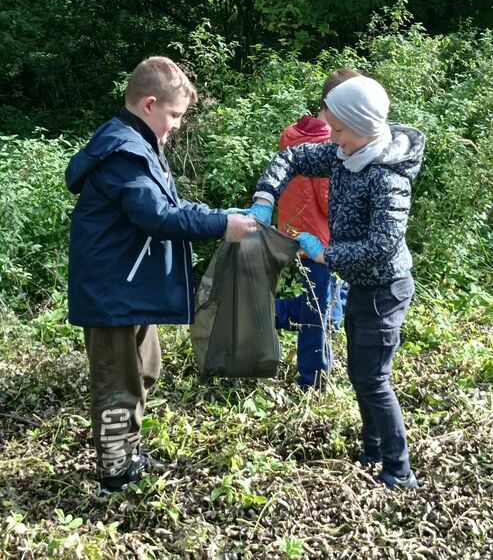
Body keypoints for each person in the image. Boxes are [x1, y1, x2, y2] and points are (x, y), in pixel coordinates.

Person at [65, 56, 256, 496]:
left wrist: (220, 215)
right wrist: (222, 227)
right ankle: (115, 476)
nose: (175, 126)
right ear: (150, 104)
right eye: (173, 116)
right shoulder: (124, 153)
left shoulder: (141, 145)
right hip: (112, 293)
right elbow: (159, 218)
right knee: (118, 384)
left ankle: (129, 452)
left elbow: (173, 207)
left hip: (131, 289)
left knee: (145, 369)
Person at [247, 75, 425, 489]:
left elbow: (382, 245)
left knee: (373, 378)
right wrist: (265, 195)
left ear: (364, 127)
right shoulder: (344, 154)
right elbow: (293, 158)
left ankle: (399, 471)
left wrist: (327, 254)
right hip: (363, 284)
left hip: (385, 288)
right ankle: (372, 449)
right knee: (363, 372)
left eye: (340, 130)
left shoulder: (387, 176)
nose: (334, 138)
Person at [275, 68, 359, 390]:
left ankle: (268, 315)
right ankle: (313, 382)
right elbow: (328, 201)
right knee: (318, 310)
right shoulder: (331, 142)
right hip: (319, 241)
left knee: (326, 302)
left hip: (293, 232)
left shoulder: (292, 132)